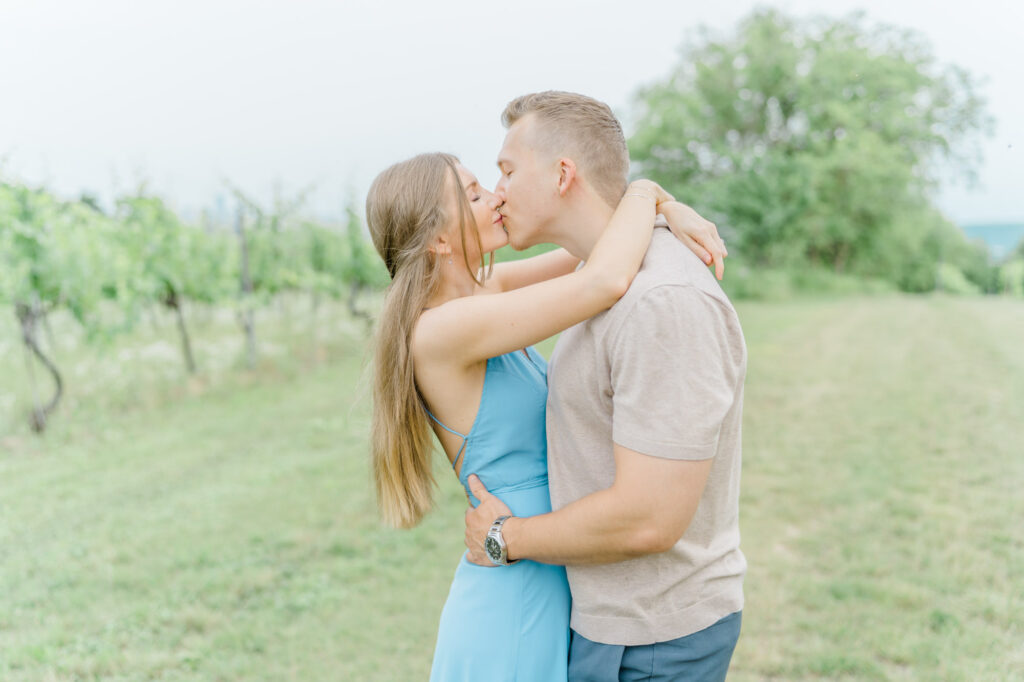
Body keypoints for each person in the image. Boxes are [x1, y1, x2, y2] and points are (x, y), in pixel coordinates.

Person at [365, 149, 726, 681]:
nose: (496, 197)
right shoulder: (441, 331)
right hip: (518, 586)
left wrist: (670, 211)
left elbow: (593, 247)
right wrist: (647, 191)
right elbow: (601, 281)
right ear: (439, 240)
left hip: (550, 554)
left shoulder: (487, 290)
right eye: (473, 195)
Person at [463, 91, 747, 682]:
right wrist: (658, 200)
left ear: (563, 174)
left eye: (508, 171)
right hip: (612, 624)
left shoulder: (661, 302)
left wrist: (504, 537)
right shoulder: (598, 279)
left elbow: (649, 518)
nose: (498, 193)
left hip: (654, 638)